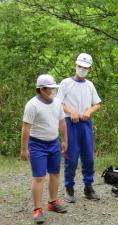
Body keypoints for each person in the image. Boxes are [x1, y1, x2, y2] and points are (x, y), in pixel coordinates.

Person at [21, 74, 68, 224]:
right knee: (39, 177)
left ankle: (53, 202)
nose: (53, 91)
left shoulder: (57, 103)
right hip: (37, 145)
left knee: (55, 174)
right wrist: (24, 149)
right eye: (51, 89)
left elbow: (62, 122)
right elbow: (26, 128)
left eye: (55, 88)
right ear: (42, 89)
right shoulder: (32, 105)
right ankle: (37, 210)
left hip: (53, 143)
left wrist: (65, 140)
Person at [57, 53, 101, 203]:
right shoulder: (65, 83)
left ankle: (88, 187)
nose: (82, 69)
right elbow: (58, 103)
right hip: (70, 123)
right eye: (80, 66)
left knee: (88, 157)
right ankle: (69, 188)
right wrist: (71, 111)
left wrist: (89, 111)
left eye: (85, 67)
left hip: (85, 123)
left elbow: (97, 103)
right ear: (75, 65)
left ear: (90, 69)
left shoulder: (89, 85)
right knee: (71, 157)